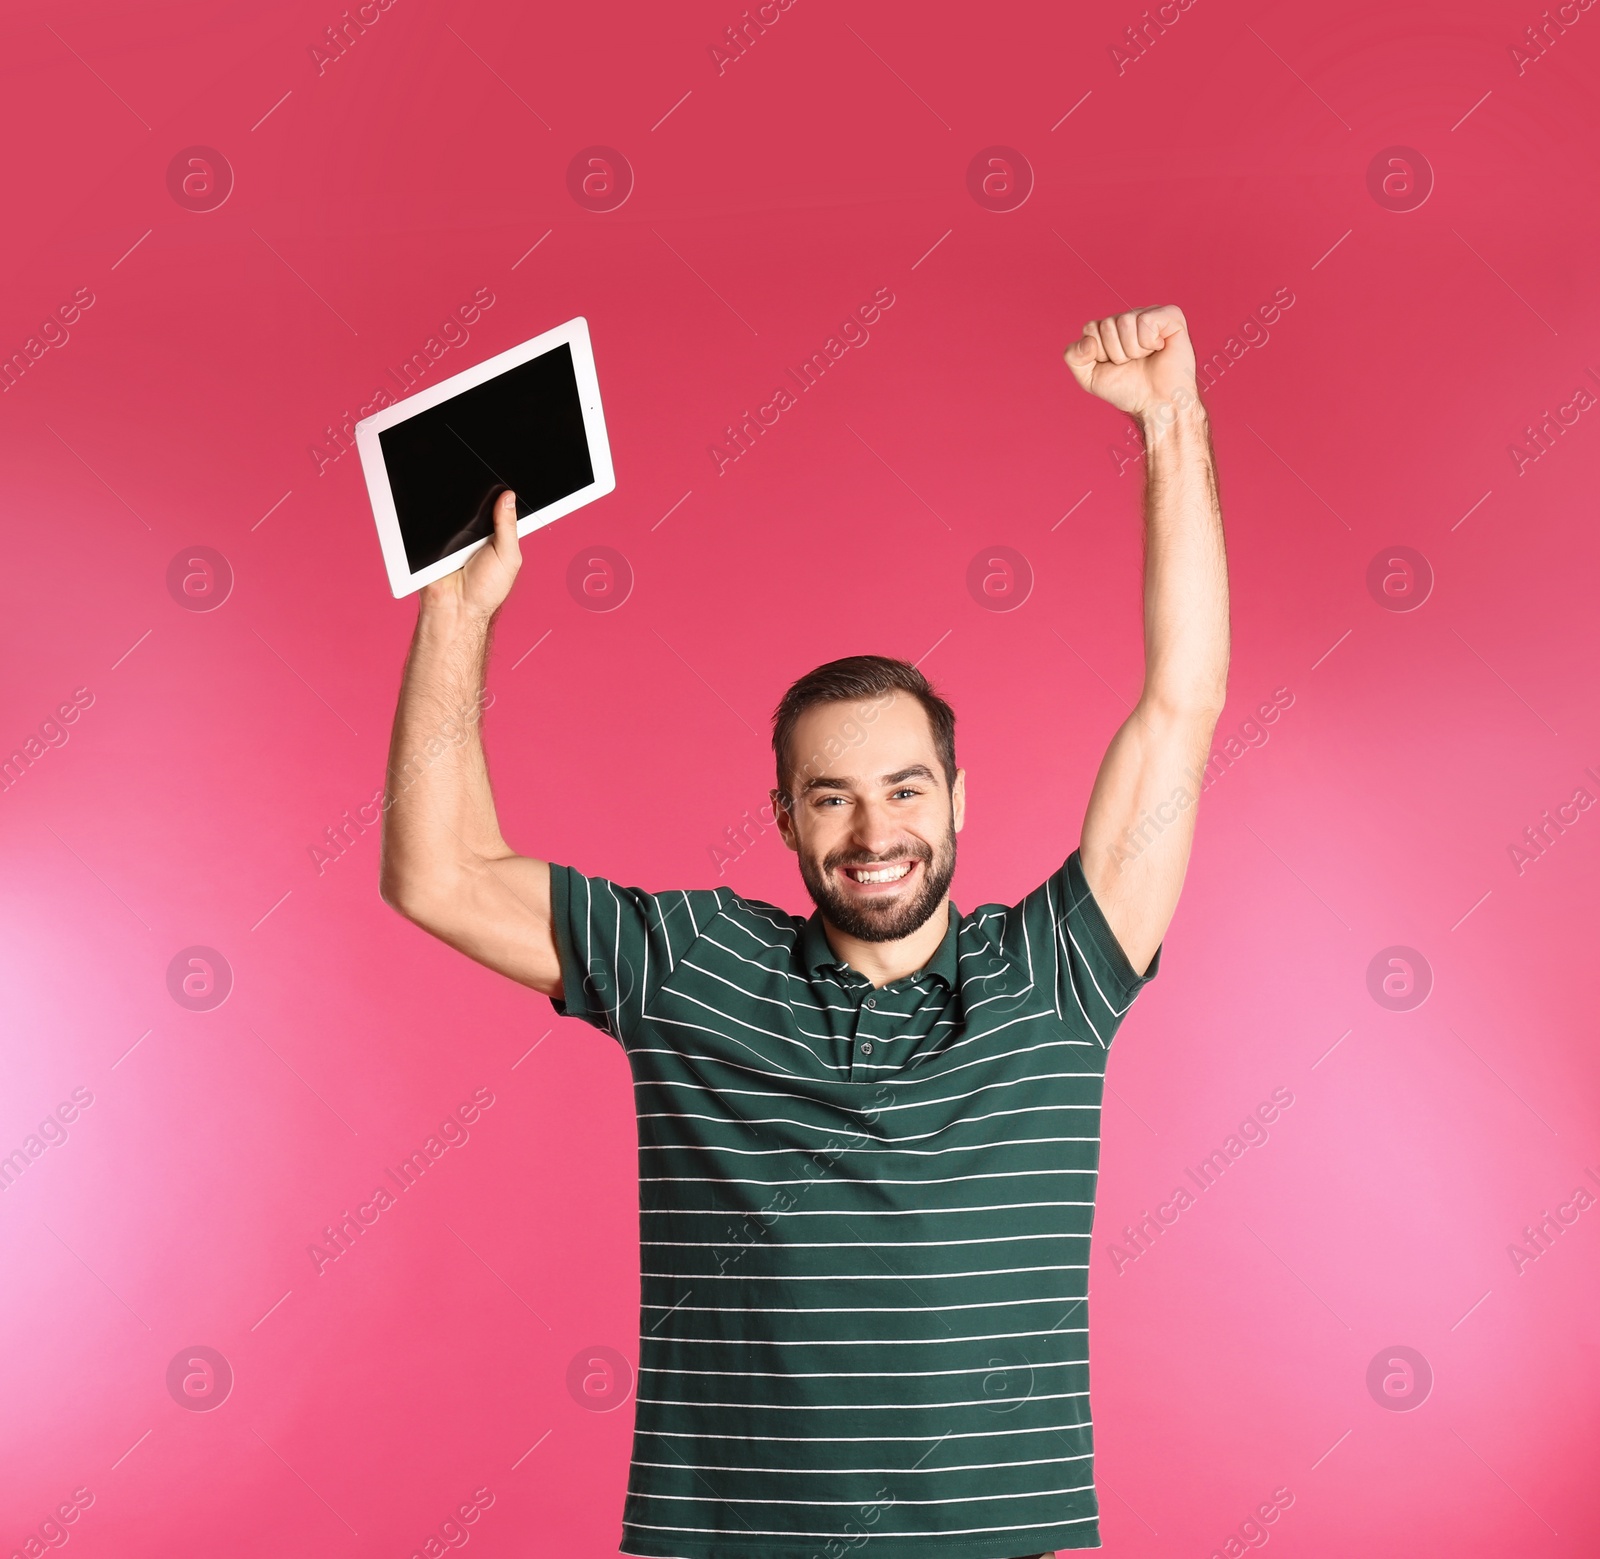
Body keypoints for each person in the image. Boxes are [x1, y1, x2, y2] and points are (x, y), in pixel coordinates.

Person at [379, 305, 1230, 1559]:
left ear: (956, 797)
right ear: (782, 816)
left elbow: (1181, 700)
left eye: (904, 787)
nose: (872, 828)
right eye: (830, 795)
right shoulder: (689, 965)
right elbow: (437, 871)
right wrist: (459, 611)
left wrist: (1170, 420)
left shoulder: (1058, 972)